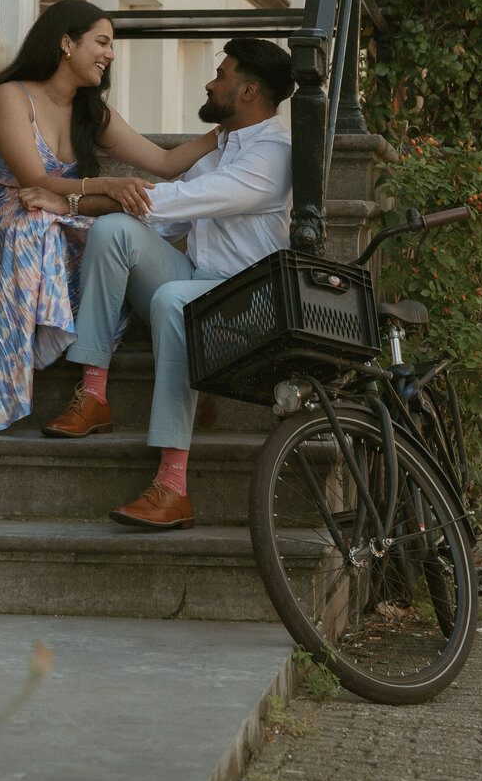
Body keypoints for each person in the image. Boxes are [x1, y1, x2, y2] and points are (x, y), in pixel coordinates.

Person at [25, 37, 294, 531]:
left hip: (249, 300)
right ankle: (93, 392)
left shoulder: (272, 155)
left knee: (173, 300)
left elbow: (167, 203)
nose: (211, 83)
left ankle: (173, 486)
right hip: (198, 281)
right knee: (115, 232)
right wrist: (75, 224)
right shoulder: (222, 148)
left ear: (249, 90)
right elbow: (161, 225)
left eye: (222, 74)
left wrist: (72, 202)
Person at [0, 0, 219, 435]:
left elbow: (165, 161)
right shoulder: (11, 97)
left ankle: (78, 363)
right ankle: (14, 357)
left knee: (111, 233)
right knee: (34, 224)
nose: (111, 54)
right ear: (66, 43)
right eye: (101, 42)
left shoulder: (90, 112)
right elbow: (34, 179)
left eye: (111, 45)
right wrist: (104, 186)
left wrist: (231, 129)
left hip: (57, 209)